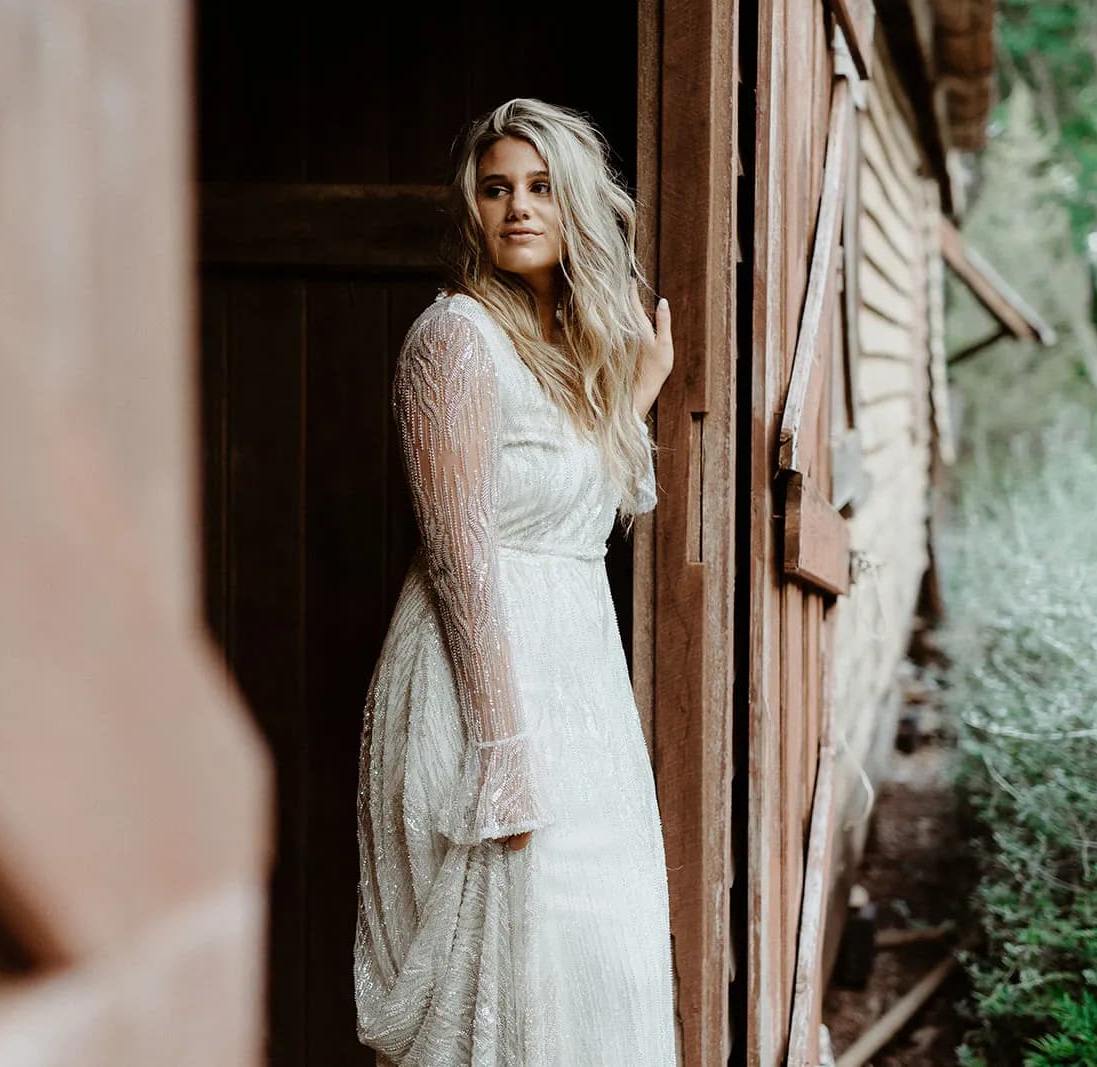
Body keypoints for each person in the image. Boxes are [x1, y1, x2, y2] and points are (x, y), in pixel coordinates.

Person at [352, 98, 679, 1065]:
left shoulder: (571, 358)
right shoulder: (453, 338)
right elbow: (460, 554)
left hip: (581, 687)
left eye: (540, 188)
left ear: (577, 205)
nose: (517, 208)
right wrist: (501, 743)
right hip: (483, 681)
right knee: (513, 971)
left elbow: (576, 508)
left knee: (594, 959)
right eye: (496, 189)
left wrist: (637, 388)